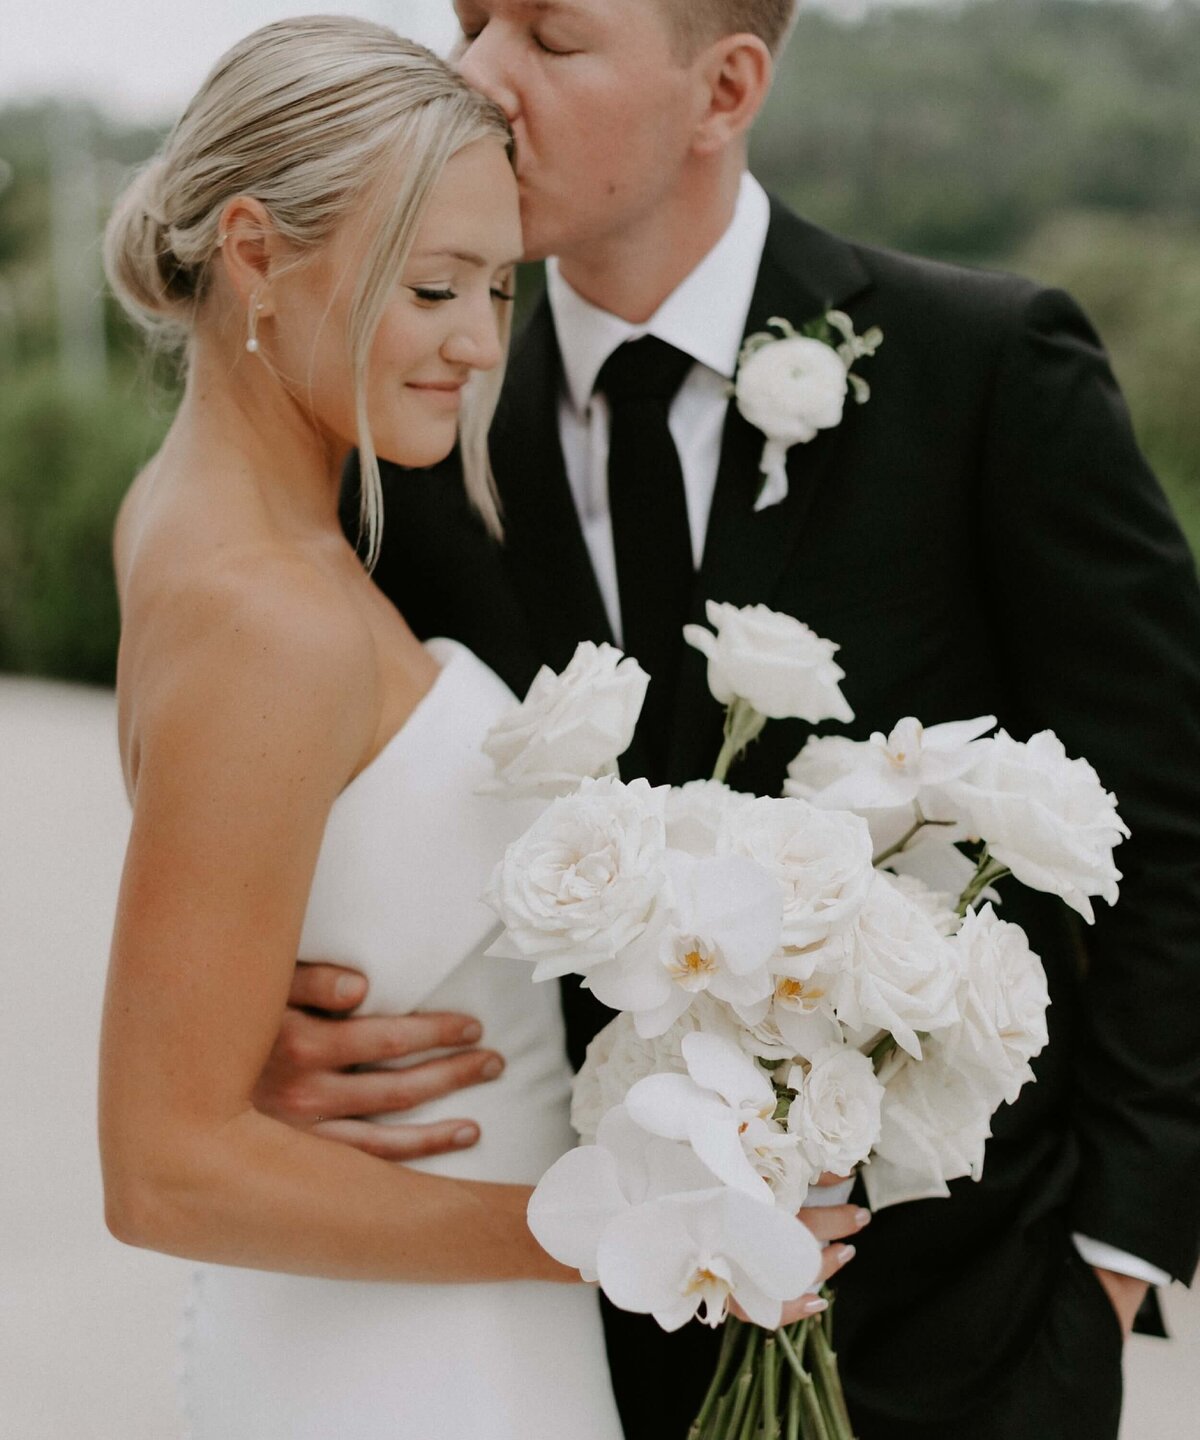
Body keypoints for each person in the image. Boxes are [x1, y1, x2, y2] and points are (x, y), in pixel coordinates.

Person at [257, 2, 1200, 1438]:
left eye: (551, 37)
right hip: (551, 1338)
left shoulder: (986, 367)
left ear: (727, 86)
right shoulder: (408, 421)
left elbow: (1165, 814)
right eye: (469, 20)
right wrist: (269, 1031)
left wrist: (1110, 1264)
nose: (476, 76)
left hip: (972, 1333)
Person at [97, 16, 858, 1437]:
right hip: (403, 1366)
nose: (476, 346)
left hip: (412, 1322)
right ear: (255, 252)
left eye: (499, 290)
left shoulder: (202, 511)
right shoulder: (265, 608)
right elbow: (164, 1171)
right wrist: (639, 1232)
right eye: (435, 287)